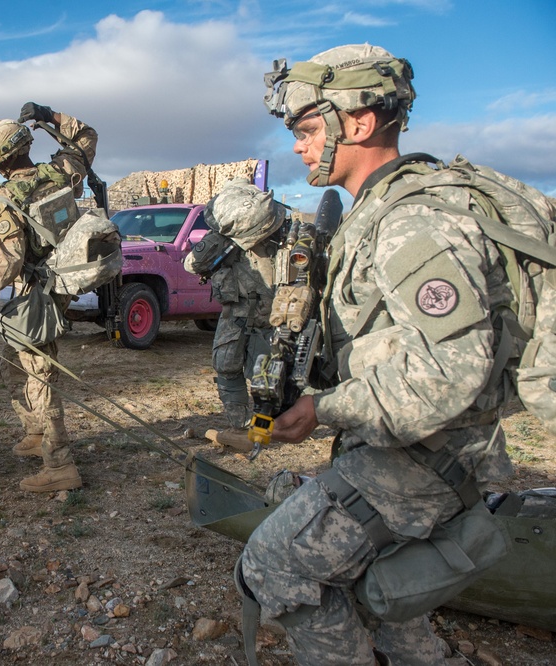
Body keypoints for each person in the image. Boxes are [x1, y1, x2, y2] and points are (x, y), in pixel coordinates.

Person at [236, 44, 514, 665]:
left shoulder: (415, 222)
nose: (300, 146)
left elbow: (447, 376)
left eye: (309, 129)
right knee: (366, 576)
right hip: (413, 445)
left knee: (273, 562)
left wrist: (322, 409)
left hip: (431, 456)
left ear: (358, 123)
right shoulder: (378, 211)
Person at [0, 102, 97, 493]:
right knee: (14, 363)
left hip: (37, 293)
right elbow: (86, 135)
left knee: (39, 374)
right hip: (61, 282)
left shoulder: (7, 200)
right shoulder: (62, 172)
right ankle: (36, 434)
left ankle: (59, 463)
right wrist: (50, 115)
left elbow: (8, 262)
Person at [183, 178, 285, 429]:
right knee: (265, 367)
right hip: (270, 312)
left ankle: (243, 420)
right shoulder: (280, 231)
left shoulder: (223, 236)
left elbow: (192, 263)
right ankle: (269, 419)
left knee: (230, 365)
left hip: (239, 312)